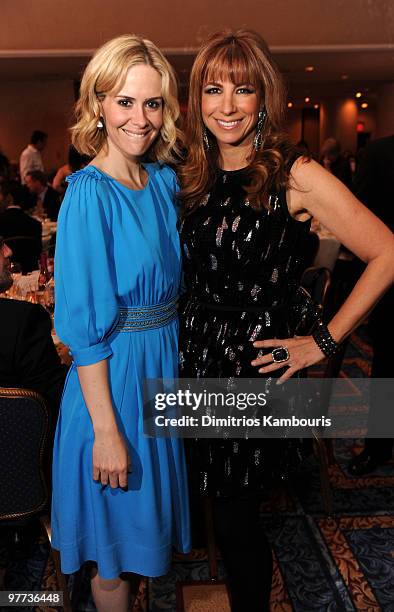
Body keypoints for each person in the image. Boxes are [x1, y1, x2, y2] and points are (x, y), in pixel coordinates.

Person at [178, 30, 394, 611]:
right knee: (217, 515)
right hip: (194, 362)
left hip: (253, 370)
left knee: (237, 520)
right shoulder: (189, 175)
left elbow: (387, 251)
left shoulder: (290, 174)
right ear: (196, 99)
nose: (227, 105)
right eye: (214, 90)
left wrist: (321, 341)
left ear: (263, 97)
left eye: (242, 90)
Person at [52, 34, 190, 611]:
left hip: (160, 377)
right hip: (112, 389)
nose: (140, 118)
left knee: (145, 550)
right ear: (99, 105)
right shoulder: (87, 194)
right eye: (125, 102)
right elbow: (82, 331)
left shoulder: (162, 183)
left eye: (152, 103)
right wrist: (107, 433)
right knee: (113, 561)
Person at [0, 236, 67, 589]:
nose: (9, 252)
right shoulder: (21, 320)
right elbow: (56, 406)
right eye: (0, 246)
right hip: (24, 488)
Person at [348, 134, 394, 476]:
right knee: (387, 368)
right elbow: (357, 215)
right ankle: (378, 446)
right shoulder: (379, 153)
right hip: (392, 284)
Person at [0, 181, 42, 273]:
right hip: (32, 275)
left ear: (9, 197)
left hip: (5, 276)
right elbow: (39, 254)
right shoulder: (35, 224)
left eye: (1, 195)